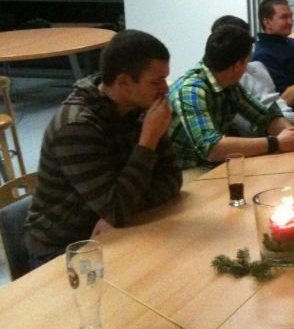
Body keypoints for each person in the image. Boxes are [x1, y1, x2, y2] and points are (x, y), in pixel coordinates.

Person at [24, 29, 182, 267]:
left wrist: (119, 211)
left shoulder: (140, 108)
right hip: (63, 248)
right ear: (124, 82)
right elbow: (116, 208)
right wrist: (148, 140)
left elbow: (172, 179)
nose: (165, 90)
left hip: (115, 230)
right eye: (156, 82)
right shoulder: (76, 127)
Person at [168, 24, 294, 168]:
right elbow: (211, 147)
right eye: (247, 62)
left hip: (211, 164)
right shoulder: (191, 90)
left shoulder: (229, 84)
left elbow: (265, 116)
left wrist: (290, 134)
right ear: (238, 65)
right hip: (186, 169)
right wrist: (276, 143)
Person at [211, 15, 294, 129]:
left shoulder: (256, 68)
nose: (291, 21)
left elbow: (269, 112)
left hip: (293, 123)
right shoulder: (211, 84)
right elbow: (213, 143)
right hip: (268, 136)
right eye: (284, 17)